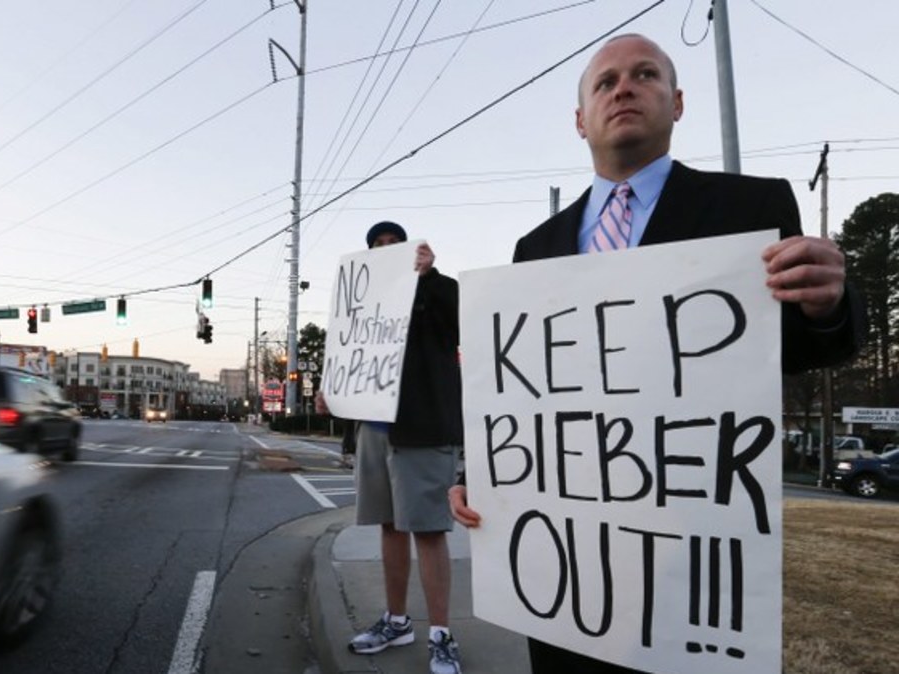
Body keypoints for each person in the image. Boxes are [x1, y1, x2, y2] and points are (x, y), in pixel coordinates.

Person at [448, 33, 865, 674]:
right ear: (580, 119)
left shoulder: (750, 207)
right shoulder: (535, 248)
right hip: (567, 567)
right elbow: (529, 395)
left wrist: (828, 301)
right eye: (604, 81)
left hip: (687, 545)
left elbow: (790, 350)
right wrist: (487, 474)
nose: (624, 87)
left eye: (644, 74)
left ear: (676, 103)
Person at [317, 220, 465, 674]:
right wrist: (331, 393)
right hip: (375, 431)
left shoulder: (439, 291)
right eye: (377, 245)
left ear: (411, 249)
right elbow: (348, 354)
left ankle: (441, 633)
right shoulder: (360, 306)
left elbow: (458, 325)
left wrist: (430, 277)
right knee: (389, 527)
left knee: (429, 530)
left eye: (393, 244)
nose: (385, 249)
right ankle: (396, 620)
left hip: (422, 429)